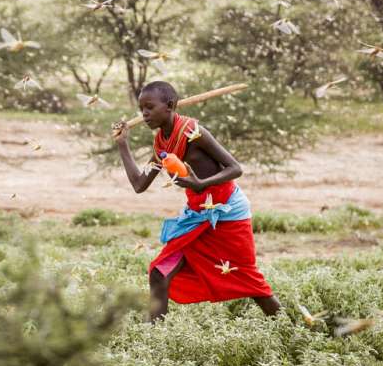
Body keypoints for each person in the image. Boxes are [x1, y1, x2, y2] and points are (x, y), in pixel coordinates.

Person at [113, 81, 281, 322]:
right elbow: (140, 185)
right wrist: (122, 145)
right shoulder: (162, 143)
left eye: (150, 107)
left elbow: (235, 168)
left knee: (248, 280)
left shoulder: (194, 132)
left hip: (228, 213)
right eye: (142, 109)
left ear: (169, 105)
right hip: (197, 215)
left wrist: (202, 184)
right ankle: (153, 342)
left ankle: (294, 329)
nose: (145, 114)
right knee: (159, 273)